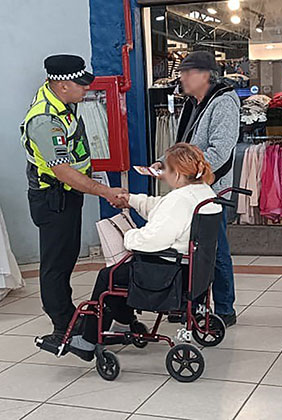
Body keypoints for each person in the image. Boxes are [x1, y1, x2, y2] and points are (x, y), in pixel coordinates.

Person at [69, 143, 222, 361]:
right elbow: (161, 207)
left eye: (165, 170)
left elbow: (154, 239)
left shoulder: (179, 200)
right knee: (123, 272)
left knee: (110, 276)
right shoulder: (203, 193)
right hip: (194, 271)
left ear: (177, 174)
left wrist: (129, 237)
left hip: (168, 274)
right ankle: (124, 322)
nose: (162, 175)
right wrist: (130, 199)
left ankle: (88, 339)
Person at [21, 54, 128, 347]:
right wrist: (104, 191)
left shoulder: (64, 103)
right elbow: (63, 171)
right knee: (56, 263)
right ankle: (63, 324)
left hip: (68, 195)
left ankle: (70, 317)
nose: (86, 90)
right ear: (62, 84)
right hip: (53, 197)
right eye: (81, 85)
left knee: (66, 257)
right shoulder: (45, 119)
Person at [152, 51, 240, 326]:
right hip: (189, 190)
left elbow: (220, 152)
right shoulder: (194, 103)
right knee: (189, 249)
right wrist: (166, 163)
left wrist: (188, 175)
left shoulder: (223, 103)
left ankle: (225, 309)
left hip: (210, 192)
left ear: (205, 75)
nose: (182, 78)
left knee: (215, 251)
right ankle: (193, 305)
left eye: (187, 73)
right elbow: (184, 146)